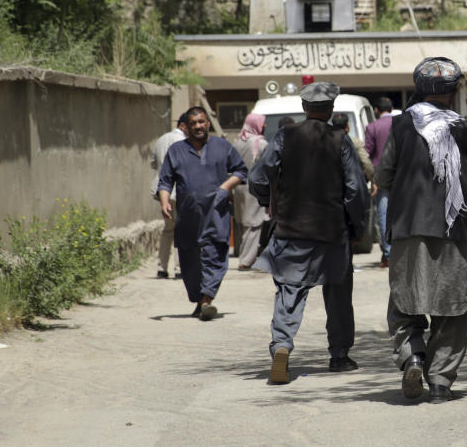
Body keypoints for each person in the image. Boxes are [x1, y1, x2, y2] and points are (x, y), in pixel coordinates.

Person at [375, 57, 467, 404]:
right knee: (452, 308)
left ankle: (412, 356)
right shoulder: (461, 127)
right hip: (455, 232)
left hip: (409, 229)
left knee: (403, 303)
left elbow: (382, 177)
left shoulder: (400, 126)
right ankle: (440, 381)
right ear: (454, 92)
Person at [248, 82, 368, 384]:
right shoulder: (341, 140)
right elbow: (355, 190)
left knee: (289, 291)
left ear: (304, 108)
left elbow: (259, 178)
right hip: (332, 230)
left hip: (291, 229)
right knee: (339, 294)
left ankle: (282, 346)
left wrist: (271, 202)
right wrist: (357, 226)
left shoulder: (285, 136)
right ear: (331, 109)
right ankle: (340, 356)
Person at [157, 107, 247, 321]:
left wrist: (225, 188)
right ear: (185, 127)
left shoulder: (222, 146)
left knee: (215, 254)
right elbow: (165, 180)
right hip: (188, 216)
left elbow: (241, 171)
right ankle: (200, 300)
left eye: (201, 122)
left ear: (208, 123)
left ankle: (207, 300)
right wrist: (164, 201)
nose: (198, 126)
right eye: (193, 123)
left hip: (216, 213)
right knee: (189, 260)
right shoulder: (176, 150)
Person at [232, 113, 271, 270]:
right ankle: (246, 260)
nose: (265, 126)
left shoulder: (237, 142)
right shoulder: (260, 144)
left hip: (238, 187)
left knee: (243, 223)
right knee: (254, 224)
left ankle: (245, 255)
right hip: (253, 188)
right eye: (263, 123)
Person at [150, 114, 187, 279]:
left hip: (162, 191)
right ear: (184, 125)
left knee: (167, 230)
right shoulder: (184, 142)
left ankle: (162, 268)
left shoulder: (161, 139)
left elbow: (153, 163)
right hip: (178, 191)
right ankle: (179, 269)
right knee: (180, 230)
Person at [365, 97, 394, 267]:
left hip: (381, 177)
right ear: (390, 109)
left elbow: (368, 153)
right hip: (402, 177)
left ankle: (389, 254)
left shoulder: (372, 127)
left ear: (376, 110)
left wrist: (371, 178)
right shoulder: (400, 124)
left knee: (383, 215)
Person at [332, 112, 373, 182]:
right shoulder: (356, 142)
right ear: (347, 126)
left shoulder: (326, 142)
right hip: (351, 183)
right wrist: (370, 179)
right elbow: (366, 163)